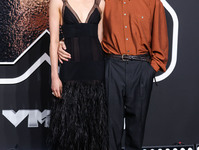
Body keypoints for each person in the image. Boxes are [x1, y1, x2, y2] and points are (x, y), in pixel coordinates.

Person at [58, 0, 169, 149]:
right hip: (112, 66)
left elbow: (160, 37)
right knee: (109, 128)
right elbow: (86, 26)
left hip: (140, 67)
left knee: (136, 128)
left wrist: (149, 71)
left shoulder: (152, 2)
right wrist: (64, 41)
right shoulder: (105, 2)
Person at [48, 0, 107, 149]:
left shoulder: (100, 3)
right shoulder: (57, 2)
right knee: (69, 127)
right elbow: (54, 41)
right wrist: (54, 76)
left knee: (94, 127)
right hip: (71, 69)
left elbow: (101, 38)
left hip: (96, 70)